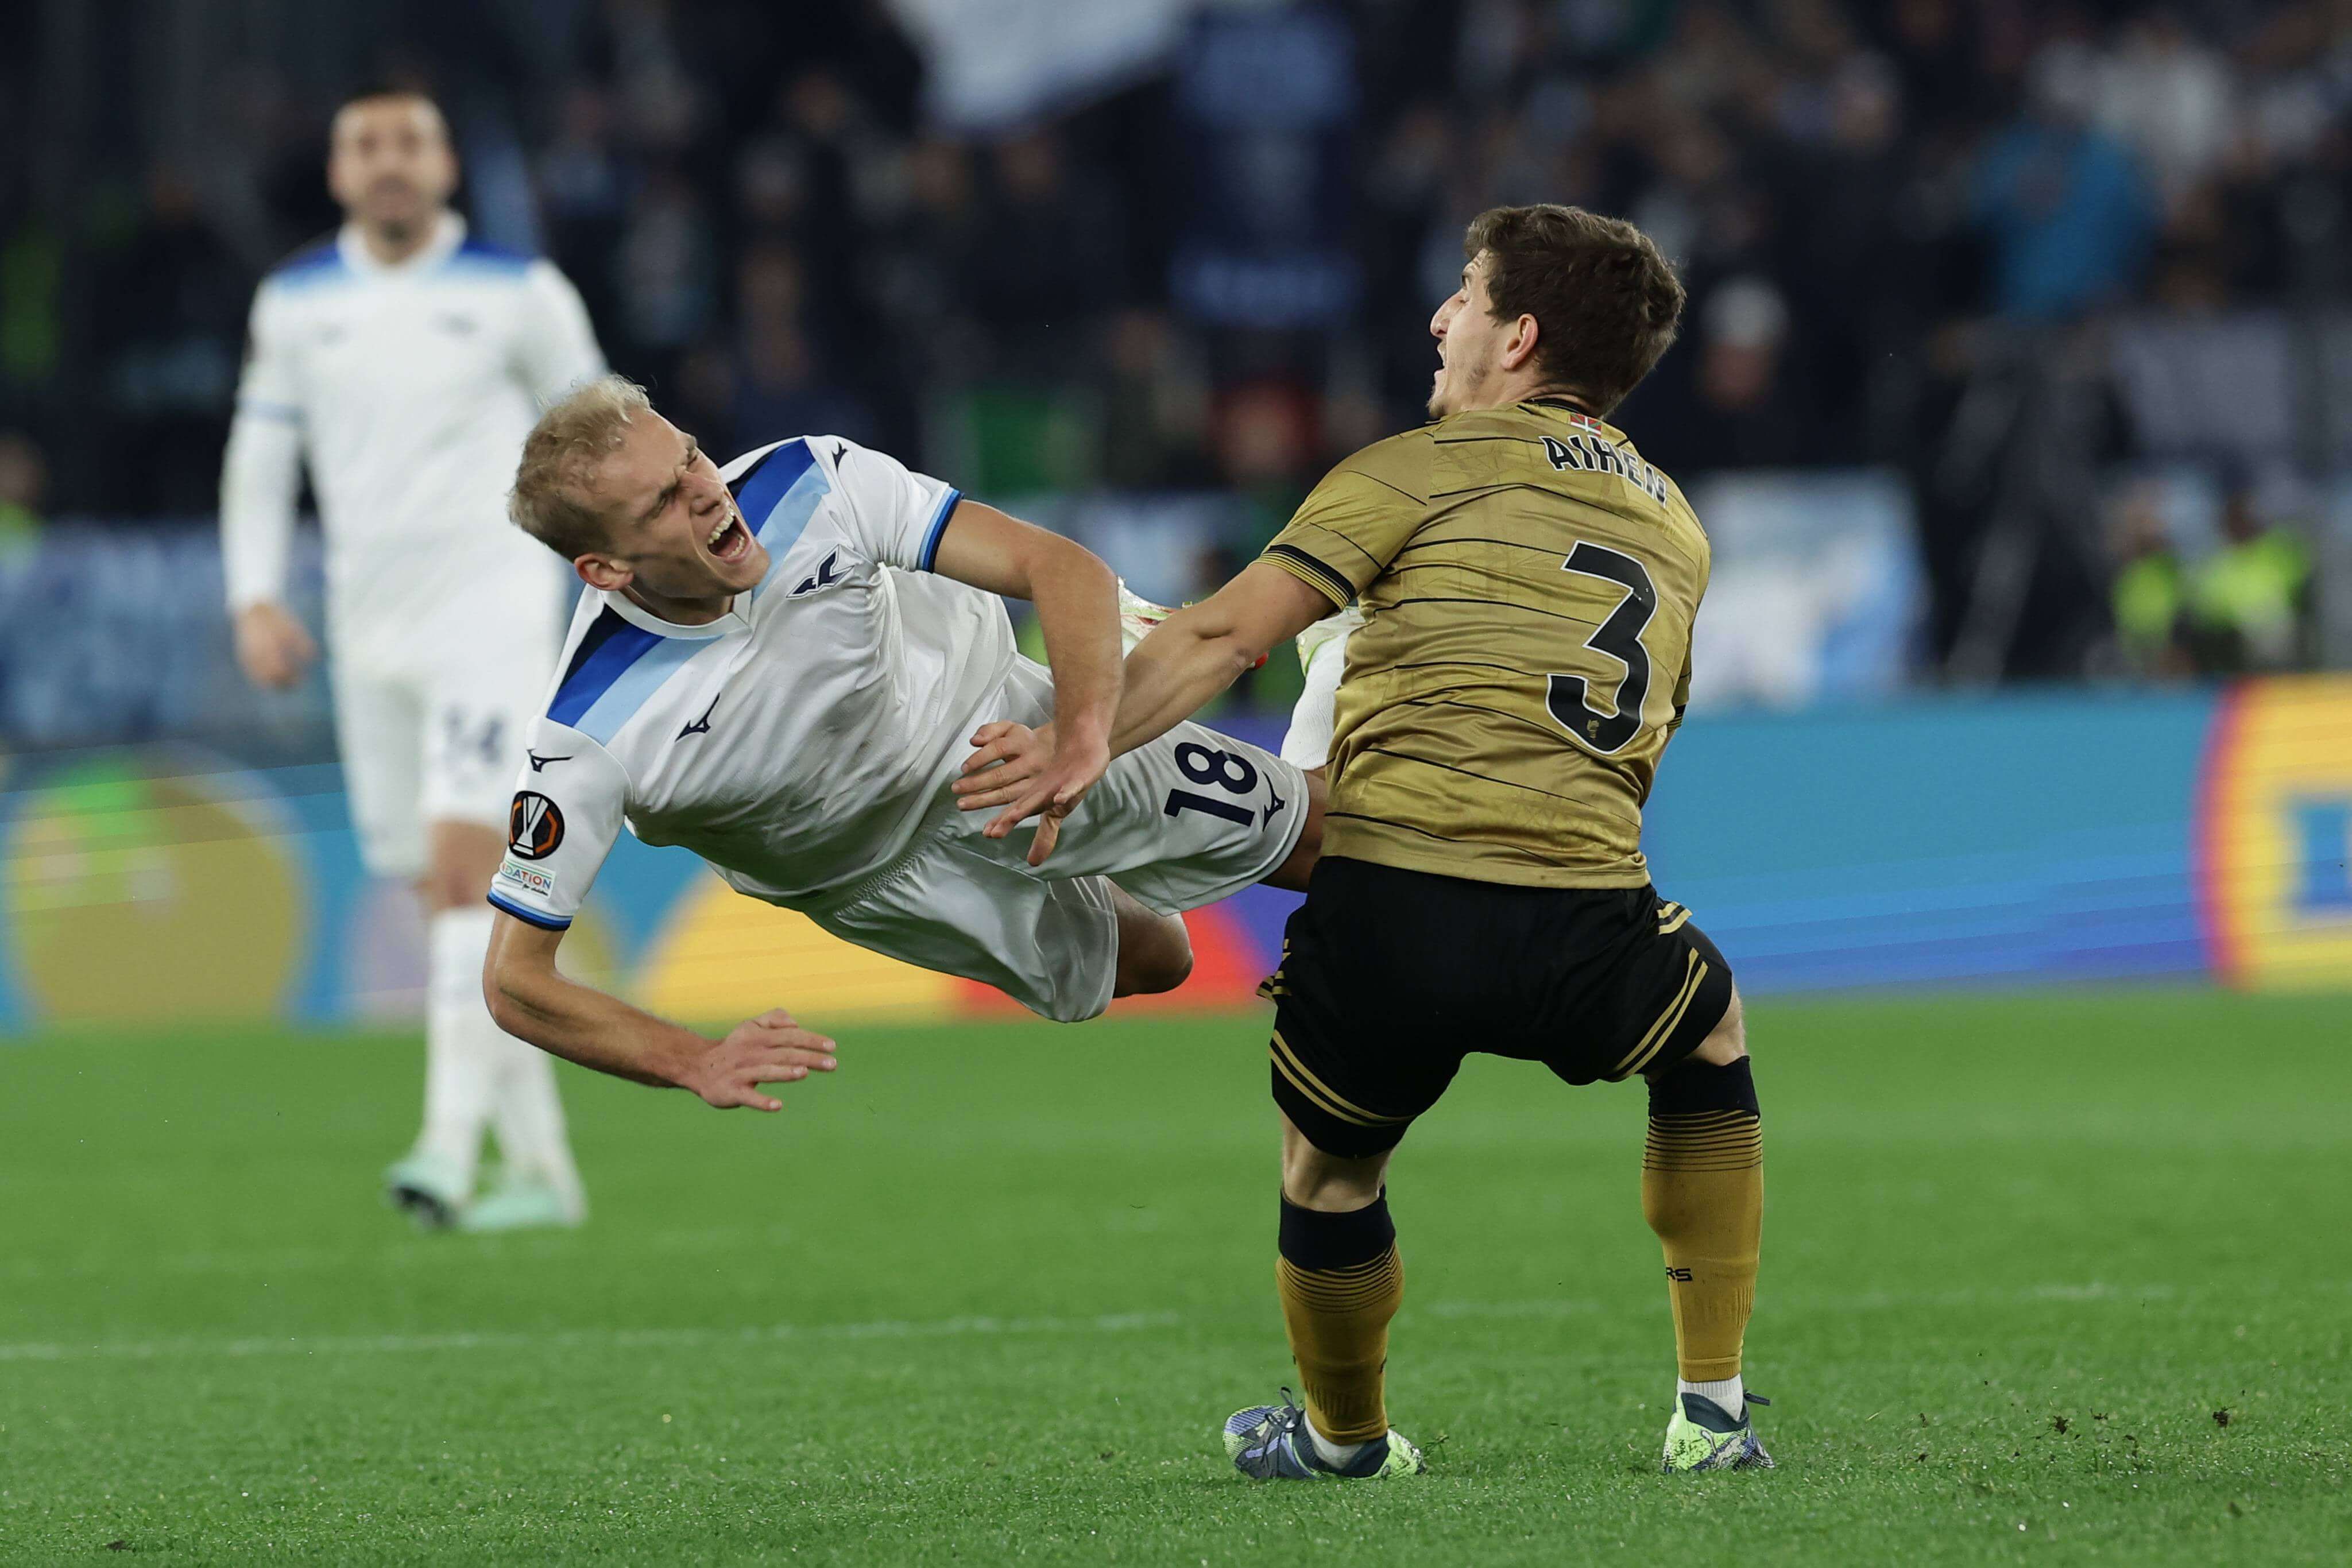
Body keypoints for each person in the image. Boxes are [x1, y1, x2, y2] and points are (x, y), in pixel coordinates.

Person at [957, 203, 1769, 1478]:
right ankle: (1712, 1416)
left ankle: (1344, 1441)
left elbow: (1221, 637)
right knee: (1707, 1038)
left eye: (1467, 294)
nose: (1442, 318)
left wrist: (1080, 740)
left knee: (1328, 1174)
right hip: (1585, 906)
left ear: (1519, 336)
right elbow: (1641, 735)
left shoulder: (1411, 471)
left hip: (1393, 903)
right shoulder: (1675, 523)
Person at [478, 377, 1317, 1105]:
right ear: (607, 570)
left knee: (1322, 837)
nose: (705, 491)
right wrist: (691, 1060)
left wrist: (1080, 734)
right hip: (876, 874)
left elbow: (1061, 568)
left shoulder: (812, 482)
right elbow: (515, 982)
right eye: (662, 502)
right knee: (1159, 962)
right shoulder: (589, 733)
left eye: (690, 457)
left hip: (995, 728)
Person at [218, 84, 607, 1232]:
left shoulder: (520, 292)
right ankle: (542, 1170)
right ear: (338, 171)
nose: (389, 162)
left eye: (410, 143)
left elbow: (603, 435)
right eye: (367, 145)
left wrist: (624, 568)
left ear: (446, 165)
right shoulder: (296, 303)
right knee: (435, 890)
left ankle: (443, 1149)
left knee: (463, 868)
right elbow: (260, 456)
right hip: (368, 628)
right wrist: (253, 596)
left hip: (490, 610)